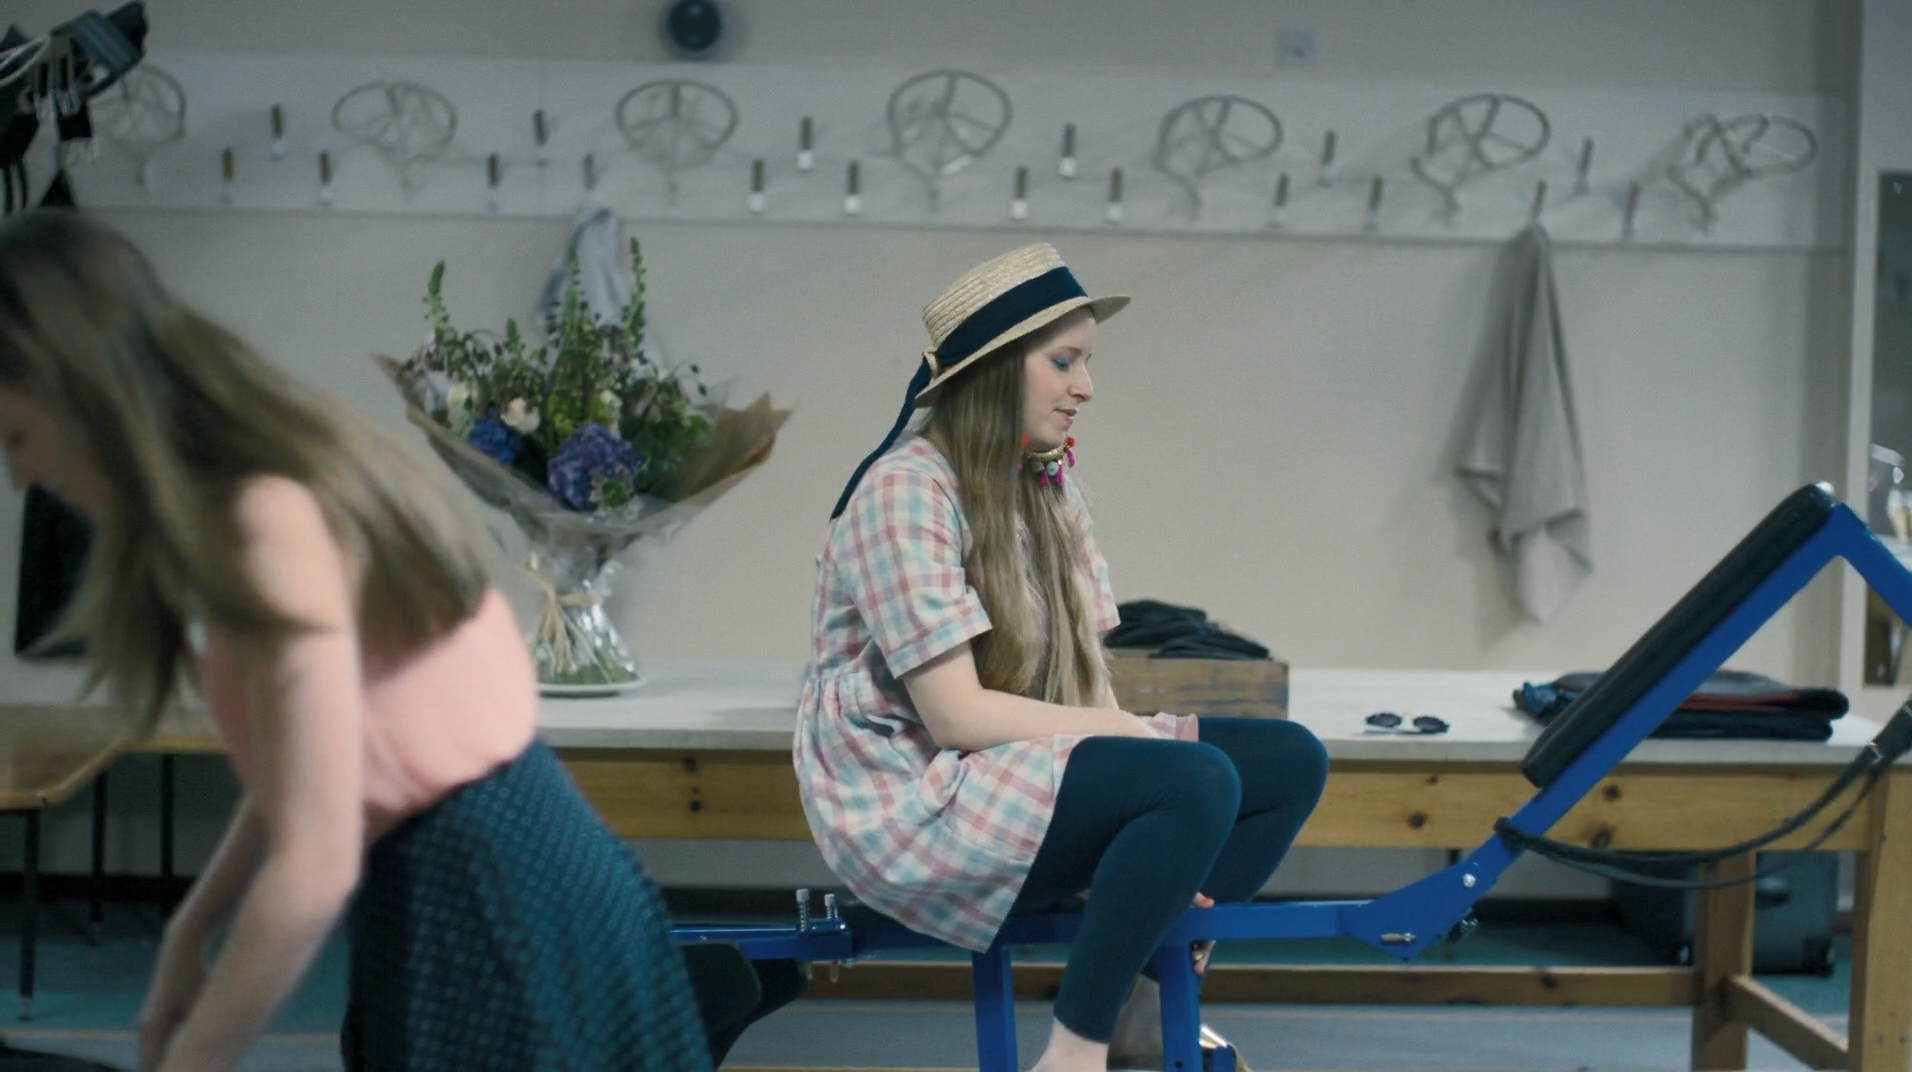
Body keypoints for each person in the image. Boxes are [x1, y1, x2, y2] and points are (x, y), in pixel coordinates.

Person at [0, 208, 712, 1072]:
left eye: (17, 436)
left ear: (83, 392)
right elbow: (304, 769)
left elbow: (313, 867)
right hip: (463, 884)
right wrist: (191, 933)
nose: (21, 475)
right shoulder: (240, 512)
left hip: (497, 896)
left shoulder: (265, 522)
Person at [797, 243, 1331, 1072]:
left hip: (1007, 767)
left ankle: (1147, 1012)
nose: (1086, 387)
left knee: (1286, 762)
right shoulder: (904, 491)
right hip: (912, 792)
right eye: (1064, 361)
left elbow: (1085, 680)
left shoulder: (1045, 486)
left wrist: (1142, 775)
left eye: (1086, 363)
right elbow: (955, 715)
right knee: (1195, 779)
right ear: (994, 368)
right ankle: (1075, 1053)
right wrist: (1136, 748)